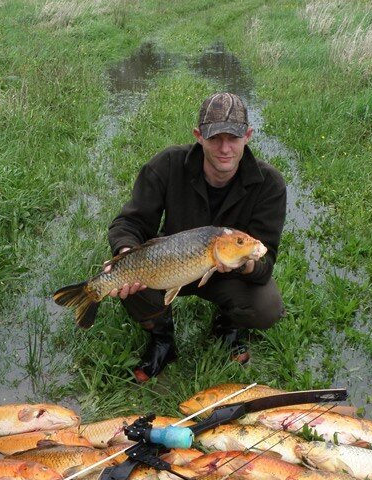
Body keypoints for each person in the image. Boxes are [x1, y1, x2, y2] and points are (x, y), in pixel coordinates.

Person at [107, 92, 286, 383]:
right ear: (199, 136)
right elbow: (130, 222)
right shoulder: (166, 165)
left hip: (228, 273)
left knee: (267, 307)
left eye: (234, 138)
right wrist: (126, 251)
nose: (225, 148)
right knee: (130, 273)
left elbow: (267, 262)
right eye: (215, 138)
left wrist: (245, 264)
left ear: (248, 136)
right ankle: (162, 338)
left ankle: (228, 326)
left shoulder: (269, 184)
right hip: (172, 264)